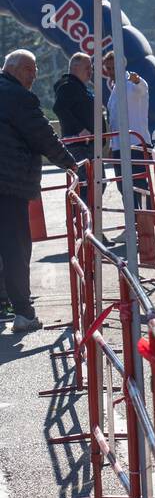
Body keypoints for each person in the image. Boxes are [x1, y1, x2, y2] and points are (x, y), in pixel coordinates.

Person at [0, 49, 78, 333]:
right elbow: (43, 136)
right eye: (30, 70)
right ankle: (23, 312)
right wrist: (71, 164)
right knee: (15, 248)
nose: (34, 76)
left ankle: (4, 305)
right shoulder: (18, 98)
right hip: (9, 185)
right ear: (16, 69)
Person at [103, 51, 152, 205]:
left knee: (140, 186)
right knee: (123, 187)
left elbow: (142, 87)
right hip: (119, 147)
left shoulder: (132, 83)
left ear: (121, 66)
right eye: (108, 69)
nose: (111, 72)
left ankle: (148, 222)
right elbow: (115, 121)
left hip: (136, 144)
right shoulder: (114, 90)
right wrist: (112, 145)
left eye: (113, 68)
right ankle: (134, 223)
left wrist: (135, 79)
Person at [54, 52, 100, 202]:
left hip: (88, 145)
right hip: (79, 146)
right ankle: (81, 220)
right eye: (87, 67)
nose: (90, 71)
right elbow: (59, 108)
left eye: (91, 68)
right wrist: (80, 130)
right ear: (74, 67)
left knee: (97, 185)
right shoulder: (67, 86)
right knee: (85, 187)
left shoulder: (80, 88)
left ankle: (87, 219)